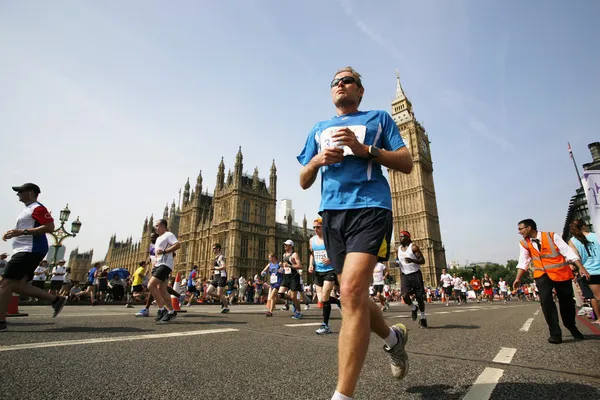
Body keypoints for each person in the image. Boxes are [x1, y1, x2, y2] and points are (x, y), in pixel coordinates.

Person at [297, 66, 413, 400]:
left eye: (347, 80)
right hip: (332, 215)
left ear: (359, 90)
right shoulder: (319, 129)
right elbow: (303, 180)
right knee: (354, 296)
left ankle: (342, 396)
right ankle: (393, 339)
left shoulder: (378, 118)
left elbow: (405, 161)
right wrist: (318, 160)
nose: (340, 84)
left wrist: (366, 151)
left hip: (370, 207)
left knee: (348, 290)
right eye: (335, 81)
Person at [0, 183, 66, 332]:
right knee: (19, 285)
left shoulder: (38, 207)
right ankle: (55, 299)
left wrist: (22, 232)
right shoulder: (28, 209)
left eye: (20, 191)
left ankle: (0, 321)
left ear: (31, 193)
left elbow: (49, 227)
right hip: (24, 250)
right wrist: (14, 233)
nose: (18, 194)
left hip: (30, 250)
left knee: (5, 282)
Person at [513, 218, 585, 344]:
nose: (519, 232)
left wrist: (581, 268)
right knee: (546, 302)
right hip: (542, 275)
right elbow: (523, 261)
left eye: (520, 229)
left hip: (561, 273)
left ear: (529, 228)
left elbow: (568, 252)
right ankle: (555, 333)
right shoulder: (524, 243)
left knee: (566, 302)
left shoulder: (551, 236)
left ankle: (571, 326)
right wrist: (518, 278)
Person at [309, 217, 340, 334]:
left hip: (330, 271)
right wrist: (311, 265)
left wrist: (331, 259)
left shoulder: (330, 239)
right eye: (314, 227)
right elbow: (312, 254)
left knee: (325, 296)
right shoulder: (311, 240)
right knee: (322, 299)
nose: (315, 229)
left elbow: (339, 253)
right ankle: (337, 302)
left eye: (318, 227)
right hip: (318, 271)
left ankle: (325, 325)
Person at [567, 219, 600, 326]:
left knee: (597, 297)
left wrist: (582, 268)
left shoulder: (572, 241)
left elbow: (576, 257)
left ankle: (599, 318)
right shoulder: (596, 235)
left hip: (590, 271)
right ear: (584, 226)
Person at [148, 219, 181, 323]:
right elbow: (158, 253)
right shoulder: (158, 239)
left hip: (165, 265)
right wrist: (155, 262)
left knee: (151, 285)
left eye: (157, 226)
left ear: (163, 226)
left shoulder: (169, 234)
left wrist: (165, 251)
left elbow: (177, 245)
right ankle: (171, 311)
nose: (155, 228)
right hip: (158, 265)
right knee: (162, 289)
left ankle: (161, 309)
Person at [396, 231, 427, 327]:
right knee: (404, 296)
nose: (400, 238)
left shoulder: (413, 247)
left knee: (420, 298)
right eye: (399, 237)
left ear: (408, 237)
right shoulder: (398, 249)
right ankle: (414, 308)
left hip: (416, 275)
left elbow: (423, 260)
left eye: (402, 237)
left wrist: (412, 260)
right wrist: (397, 263)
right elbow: (397, 259)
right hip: (405, 275)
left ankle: (423, 318)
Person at [277, 240, 303, 319]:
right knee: (280, 294)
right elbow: (286, 266)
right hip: (286, 276)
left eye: (287, 245)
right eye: (284, 244)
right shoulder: (284, 255)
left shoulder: (294, 254)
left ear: (291, 246)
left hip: (294, 277)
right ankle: (293, 300)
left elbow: (299, 266)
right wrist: (282, 267)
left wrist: (289, 265)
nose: (285, 246)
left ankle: (298, 312)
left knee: (294, 297)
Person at [205, 243, 230, 313]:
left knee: (219, 293)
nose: (213, 250)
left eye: (214, 248)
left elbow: (224, 266)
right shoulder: (216, 257)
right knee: (208, 291)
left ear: (218, 249)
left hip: (222, 276)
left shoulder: (221, 257)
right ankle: (223, 298)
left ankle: (226, 307)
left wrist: (215, 268)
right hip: (216, 277)